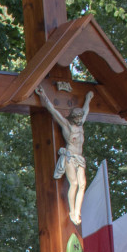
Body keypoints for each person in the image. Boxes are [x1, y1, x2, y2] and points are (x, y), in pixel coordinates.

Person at [35, 85, 94, 225]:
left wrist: (88, 99)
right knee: (74, 183)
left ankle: (77, 211)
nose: (80, 119)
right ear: (73, 118)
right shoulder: (68, 126)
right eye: (77, 117)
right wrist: (44, 95)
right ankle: (72, 211)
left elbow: (86, 111)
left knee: (83, 184)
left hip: (79, 158)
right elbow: (53, 111)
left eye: (81, 117)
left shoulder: (81, 125)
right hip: (70, 157)